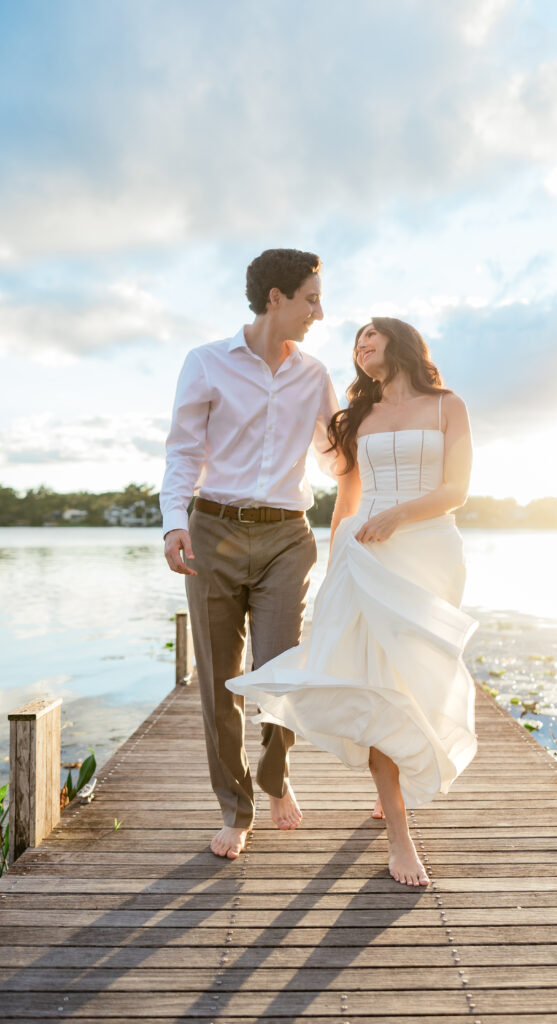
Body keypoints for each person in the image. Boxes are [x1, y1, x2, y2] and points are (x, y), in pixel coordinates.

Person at [228, 317, 478, 886]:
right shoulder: (356, 416)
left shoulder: (447, 406)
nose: (361, 346)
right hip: (364, 551)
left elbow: (456, 489)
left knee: (413, 679)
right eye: (356, 342)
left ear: (401, 342)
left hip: (427, 549)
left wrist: (398, 514)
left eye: (371, 336)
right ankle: (399, 834)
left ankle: (396, 788)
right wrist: (336, 552)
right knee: (375, 681)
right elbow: (347, 495)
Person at [160, 248, 338, 861]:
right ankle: (237, 809)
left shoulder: (315, 376)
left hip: (288, 534)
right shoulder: (206, 363)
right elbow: (184, 451)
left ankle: (274, 773)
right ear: (276, 299)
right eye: (311, 298)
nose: (320, 310)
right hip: (213, 529)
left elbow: (336, 454)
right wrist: (172, 523)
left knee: (280, 670)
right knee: (218, 679)